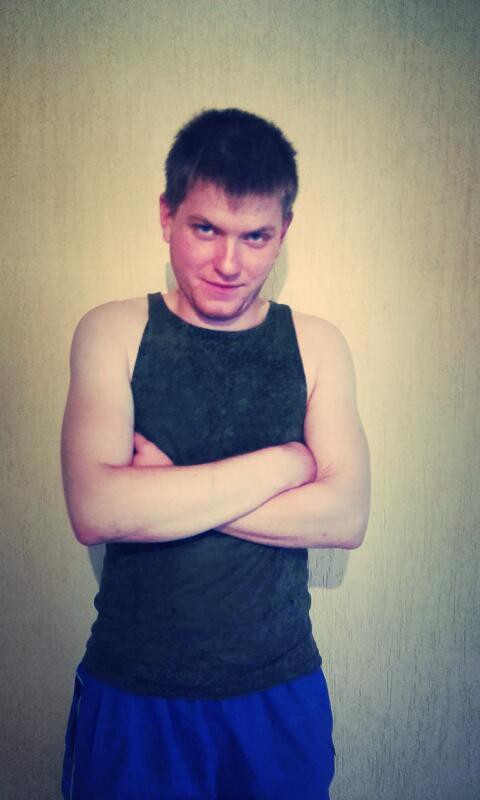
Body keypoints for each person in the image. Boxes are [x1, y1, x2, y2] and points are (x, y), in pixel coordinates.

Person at [60, 108, 370, 800]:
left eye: (255, 236)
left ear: (283, 231)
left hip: (277, 693)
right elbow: (96, 508)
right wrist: (286, 465)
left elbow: (345, 517)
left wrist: (166, 491)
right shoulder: (113, 331)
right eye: (206, 229)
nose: (230, 264)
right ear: (166, 216)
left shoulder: (317, 344)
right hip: (136, 693)